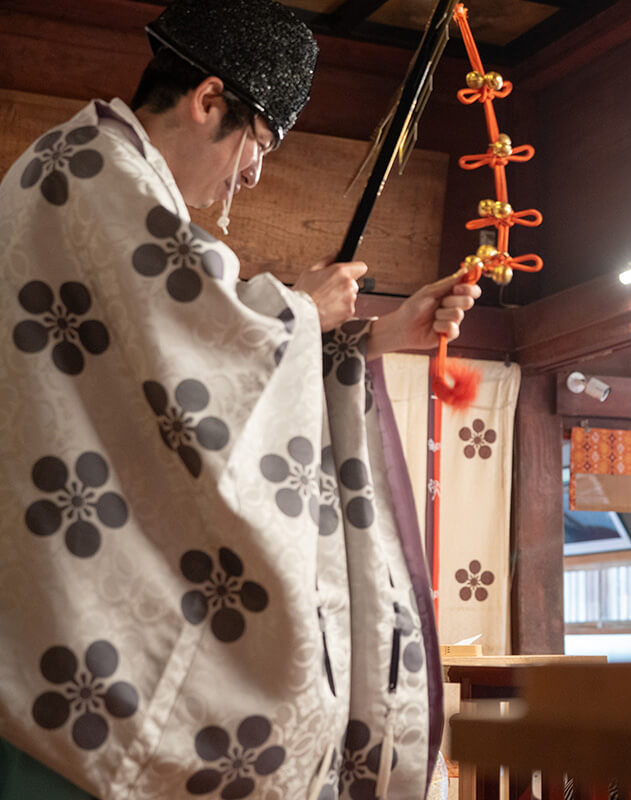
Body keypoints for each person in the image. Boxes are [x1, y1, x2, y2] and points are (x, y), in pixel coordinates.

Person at [0, 1, 480, 798]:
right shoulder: (92, 172)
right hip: (62, 623)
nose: (253, 175)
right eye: (259, 144)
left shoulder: (87, 167)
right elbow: (203, 349)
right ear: (209, 101)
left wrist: (384, 332)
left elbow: (188, 357)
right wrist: (302, 310)